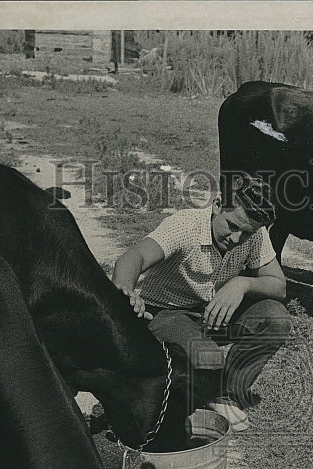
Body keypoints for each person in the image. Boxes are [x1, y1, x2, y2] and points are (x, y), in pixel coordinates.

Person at [112, 174, 292, 432]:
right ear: (218, 205)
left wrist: (242, 283)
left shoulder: (253, 232)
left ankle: (225, 393)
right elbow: (134, 256)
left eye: (246, 233)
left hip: (207, 312)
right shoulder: (185, 225)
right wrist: (124, 294)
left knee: (276, 318)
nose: (236, 238)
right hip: (163, 312)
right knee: (207, 357)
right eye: (232, 226)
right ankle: (190, 391)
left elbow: (279, 285)